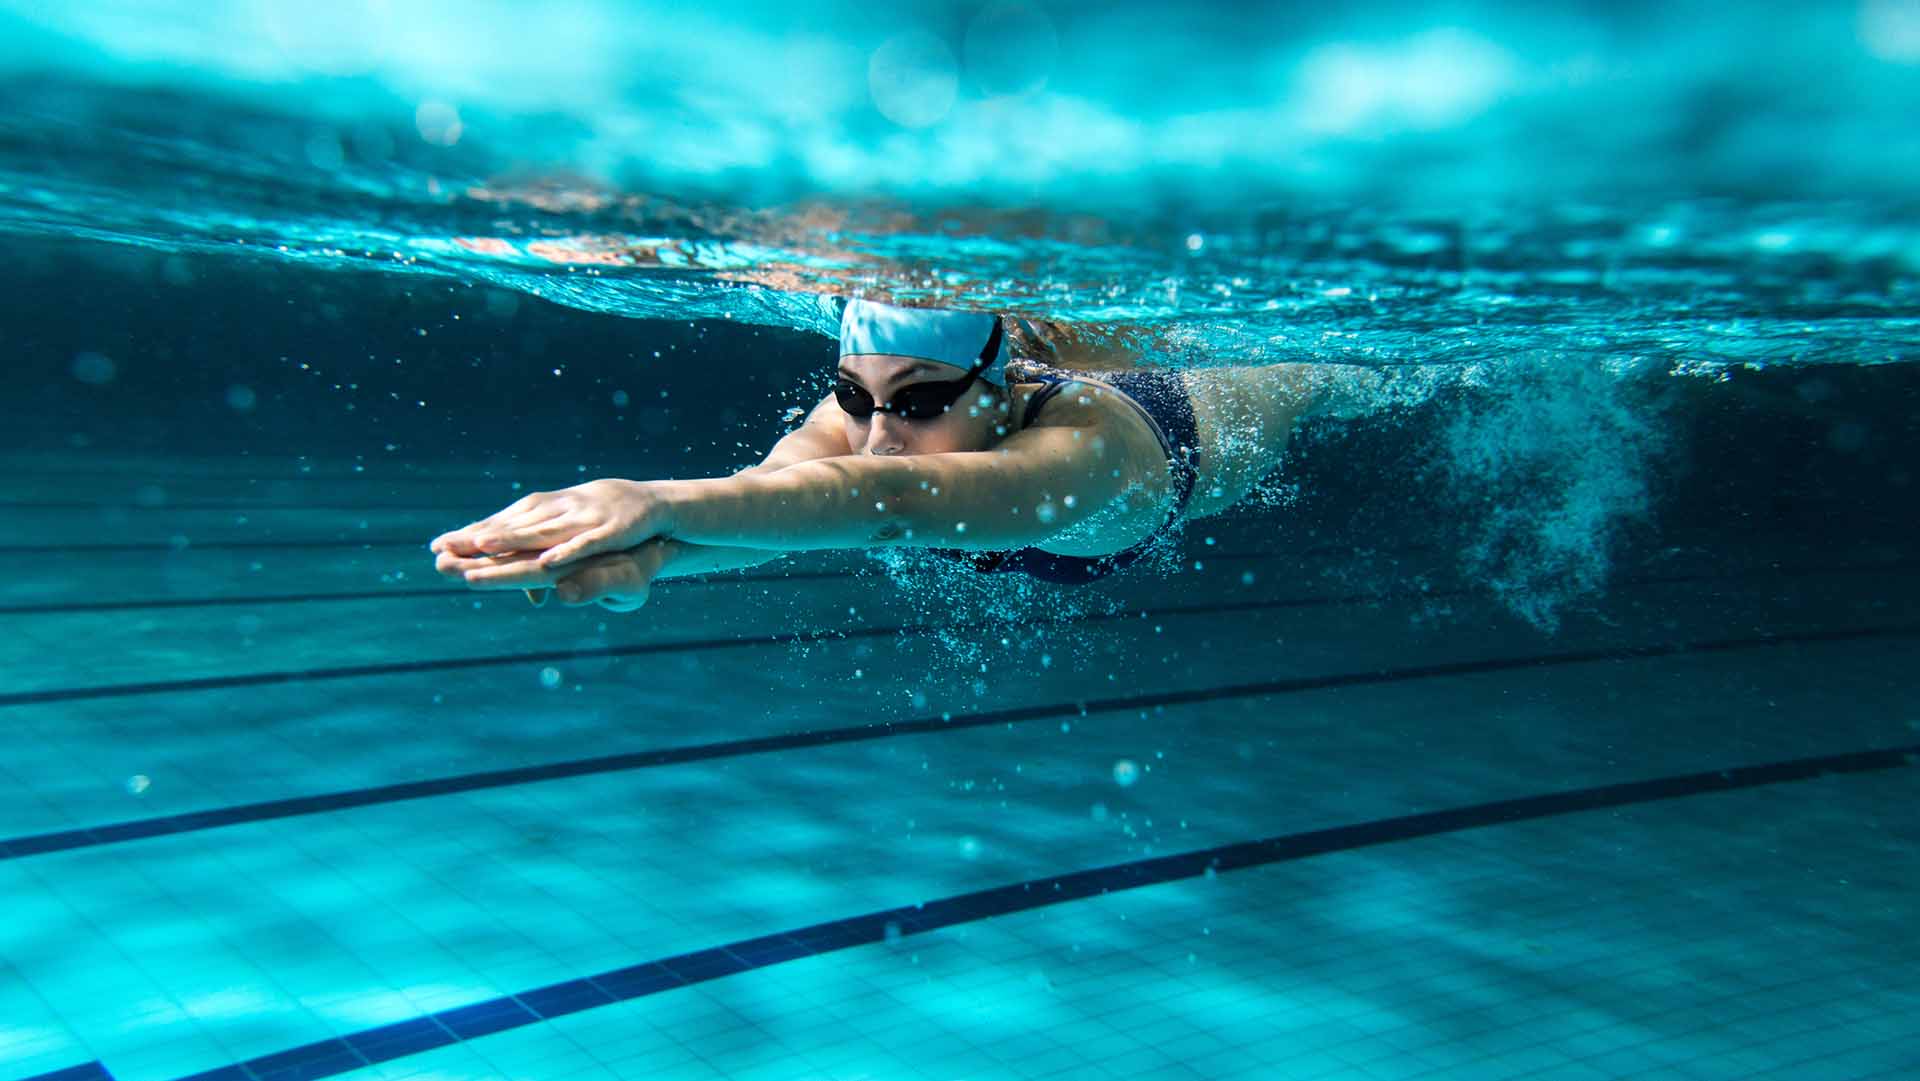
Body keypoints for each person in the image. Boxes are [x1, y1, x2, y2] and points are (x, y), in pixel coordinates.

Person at [430, 298, 1329, 611]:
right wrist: (652, 562)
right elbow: (776, 499)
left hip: (1207, 411)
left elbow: (888, 503)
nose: (878, 435)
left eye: (922, 400)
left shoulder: (1087, 452)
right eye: (856, 397)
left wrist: (653, 501)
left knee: (1334, 373)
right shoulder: (866, 422)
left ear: (1002, 387)